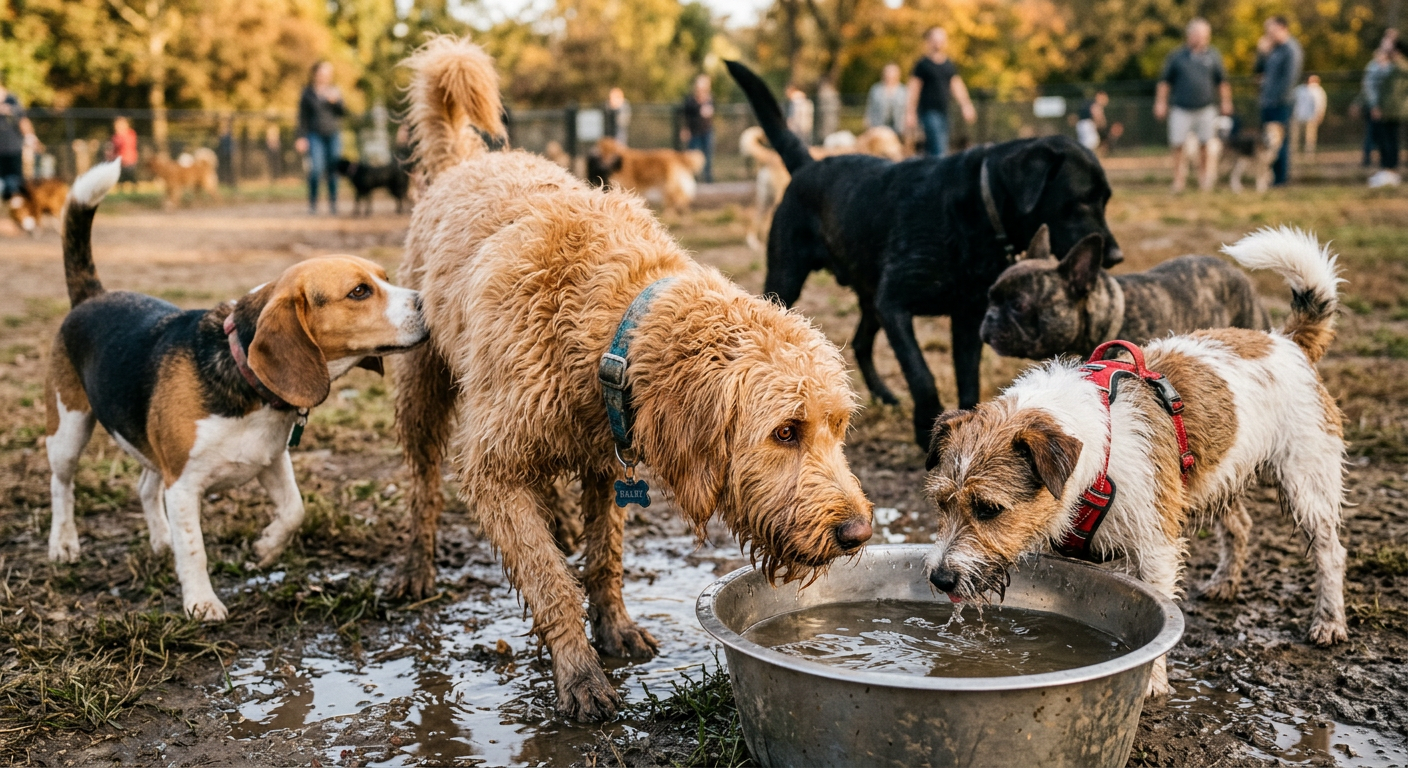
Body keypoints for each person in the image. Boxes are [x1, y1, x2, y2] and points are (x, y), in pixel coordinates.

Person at [1154, 18, 1232, 193]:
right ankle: (1178, 181)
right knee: (1177, 145)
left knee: (1205, 145)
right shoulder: (1177, 56)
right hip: (1181, 108)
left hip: (1206, 108)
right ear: (1189, 35)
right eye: (1198, 35)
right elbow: (1165, 82)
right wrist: (1160, 103)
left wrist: (1226, 102)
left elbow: (1222, 82)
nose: (1202, 38)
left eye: (1205, 35)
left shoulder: (1213, 55)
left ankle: (1204, 180)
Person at [904, 27, 977, 157]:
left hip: (944, 111)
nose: (938, 43)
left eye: (941, 40)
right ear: (929, 41)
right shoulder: (922, 65)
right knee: (938, 147)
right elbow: (914, 89)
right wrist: (910, 112)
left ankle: (928, 172)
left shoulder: (949, 65)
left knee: (935, 147)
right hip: (928, 112)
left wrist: (966, 106)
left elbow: (957, 86)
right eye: (935, 40)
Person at [1254, 16, 1304, 187]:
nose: (1268, 33)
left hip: (1281, 103)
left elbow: (1289, 79)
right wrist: (1262, 53)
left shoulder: (1291, 49)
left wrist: (1276, 99)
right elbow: (1259, 71)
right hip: (1267, 102)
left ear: (1282, 27)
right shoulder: (1273, 49)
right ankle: (1269, 177)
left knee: (1280, 142)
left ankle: (1281, 179)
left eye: (1271, 29)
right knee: (1267, 142)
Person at [296, 61, 347, 214]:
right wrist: (300, 137)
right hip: (314, 134)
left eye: (327, 74)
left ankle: (333, 203)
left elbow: (343, 113)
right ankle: (313, 204)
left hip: (333, 134)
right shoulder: (307, 93)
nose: (324, 76)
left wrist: (336, 102)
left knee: (333, 170)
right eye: (322, 73)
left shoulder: (335, 91)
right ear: (315, 74)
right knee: (316, 169)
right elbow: (302, 117)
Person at [1365, 31, 1405, 187]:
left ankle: (1390, 172)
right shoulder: (1381, 64)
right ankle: (1386, 171)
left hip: (1392, 110)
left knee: (1390, 141)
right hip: (1383, 109)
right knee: (1383, 140)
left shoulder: (1398, 65)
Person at [681, 74, 715, 182]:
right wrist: (685, 130)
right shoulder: (690, 100)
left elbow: (712, 112)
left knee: (708, 157)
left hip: (707, 131)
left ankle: (708, 180)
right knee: (691, 157)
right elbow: (685, 116)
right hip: (694, 132)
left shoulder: (710, 98)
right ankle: (692, 179)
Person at [0, 77, 25, 200]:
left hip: (13, 147)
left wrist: (8, 110)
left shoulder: (12, 99)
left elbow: (21, 117)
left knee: (15, 180)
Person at [865, 63, 908, 134]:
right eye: (888, 72)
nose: (890, 75)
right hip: (878, 129)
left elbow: (908, 110)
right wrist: (868, 125)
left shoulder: (904, 91)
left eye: (892, 72)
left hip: (899, 129)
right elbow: (869, 109)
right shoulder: (875, 89)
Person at [1291, 74, 1328, 156]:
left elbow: (1321, 104)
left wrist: (1320, 114)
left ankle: (1309, 153)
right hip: (1298, 115)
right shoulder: (1299, 89)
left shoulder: (1318, 91)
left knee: (1310, 136)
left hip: (1311, 117)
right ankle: (1294, 152)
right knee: (1295, 136)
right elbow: (1293, 101)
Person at [110, 116, 140, 185]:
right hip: (119, 161)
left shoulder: (131, 134)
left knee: (132, 178)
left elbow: (126, 144)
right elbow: (114, 149)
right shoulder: (115, 137)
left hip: (129, 160)